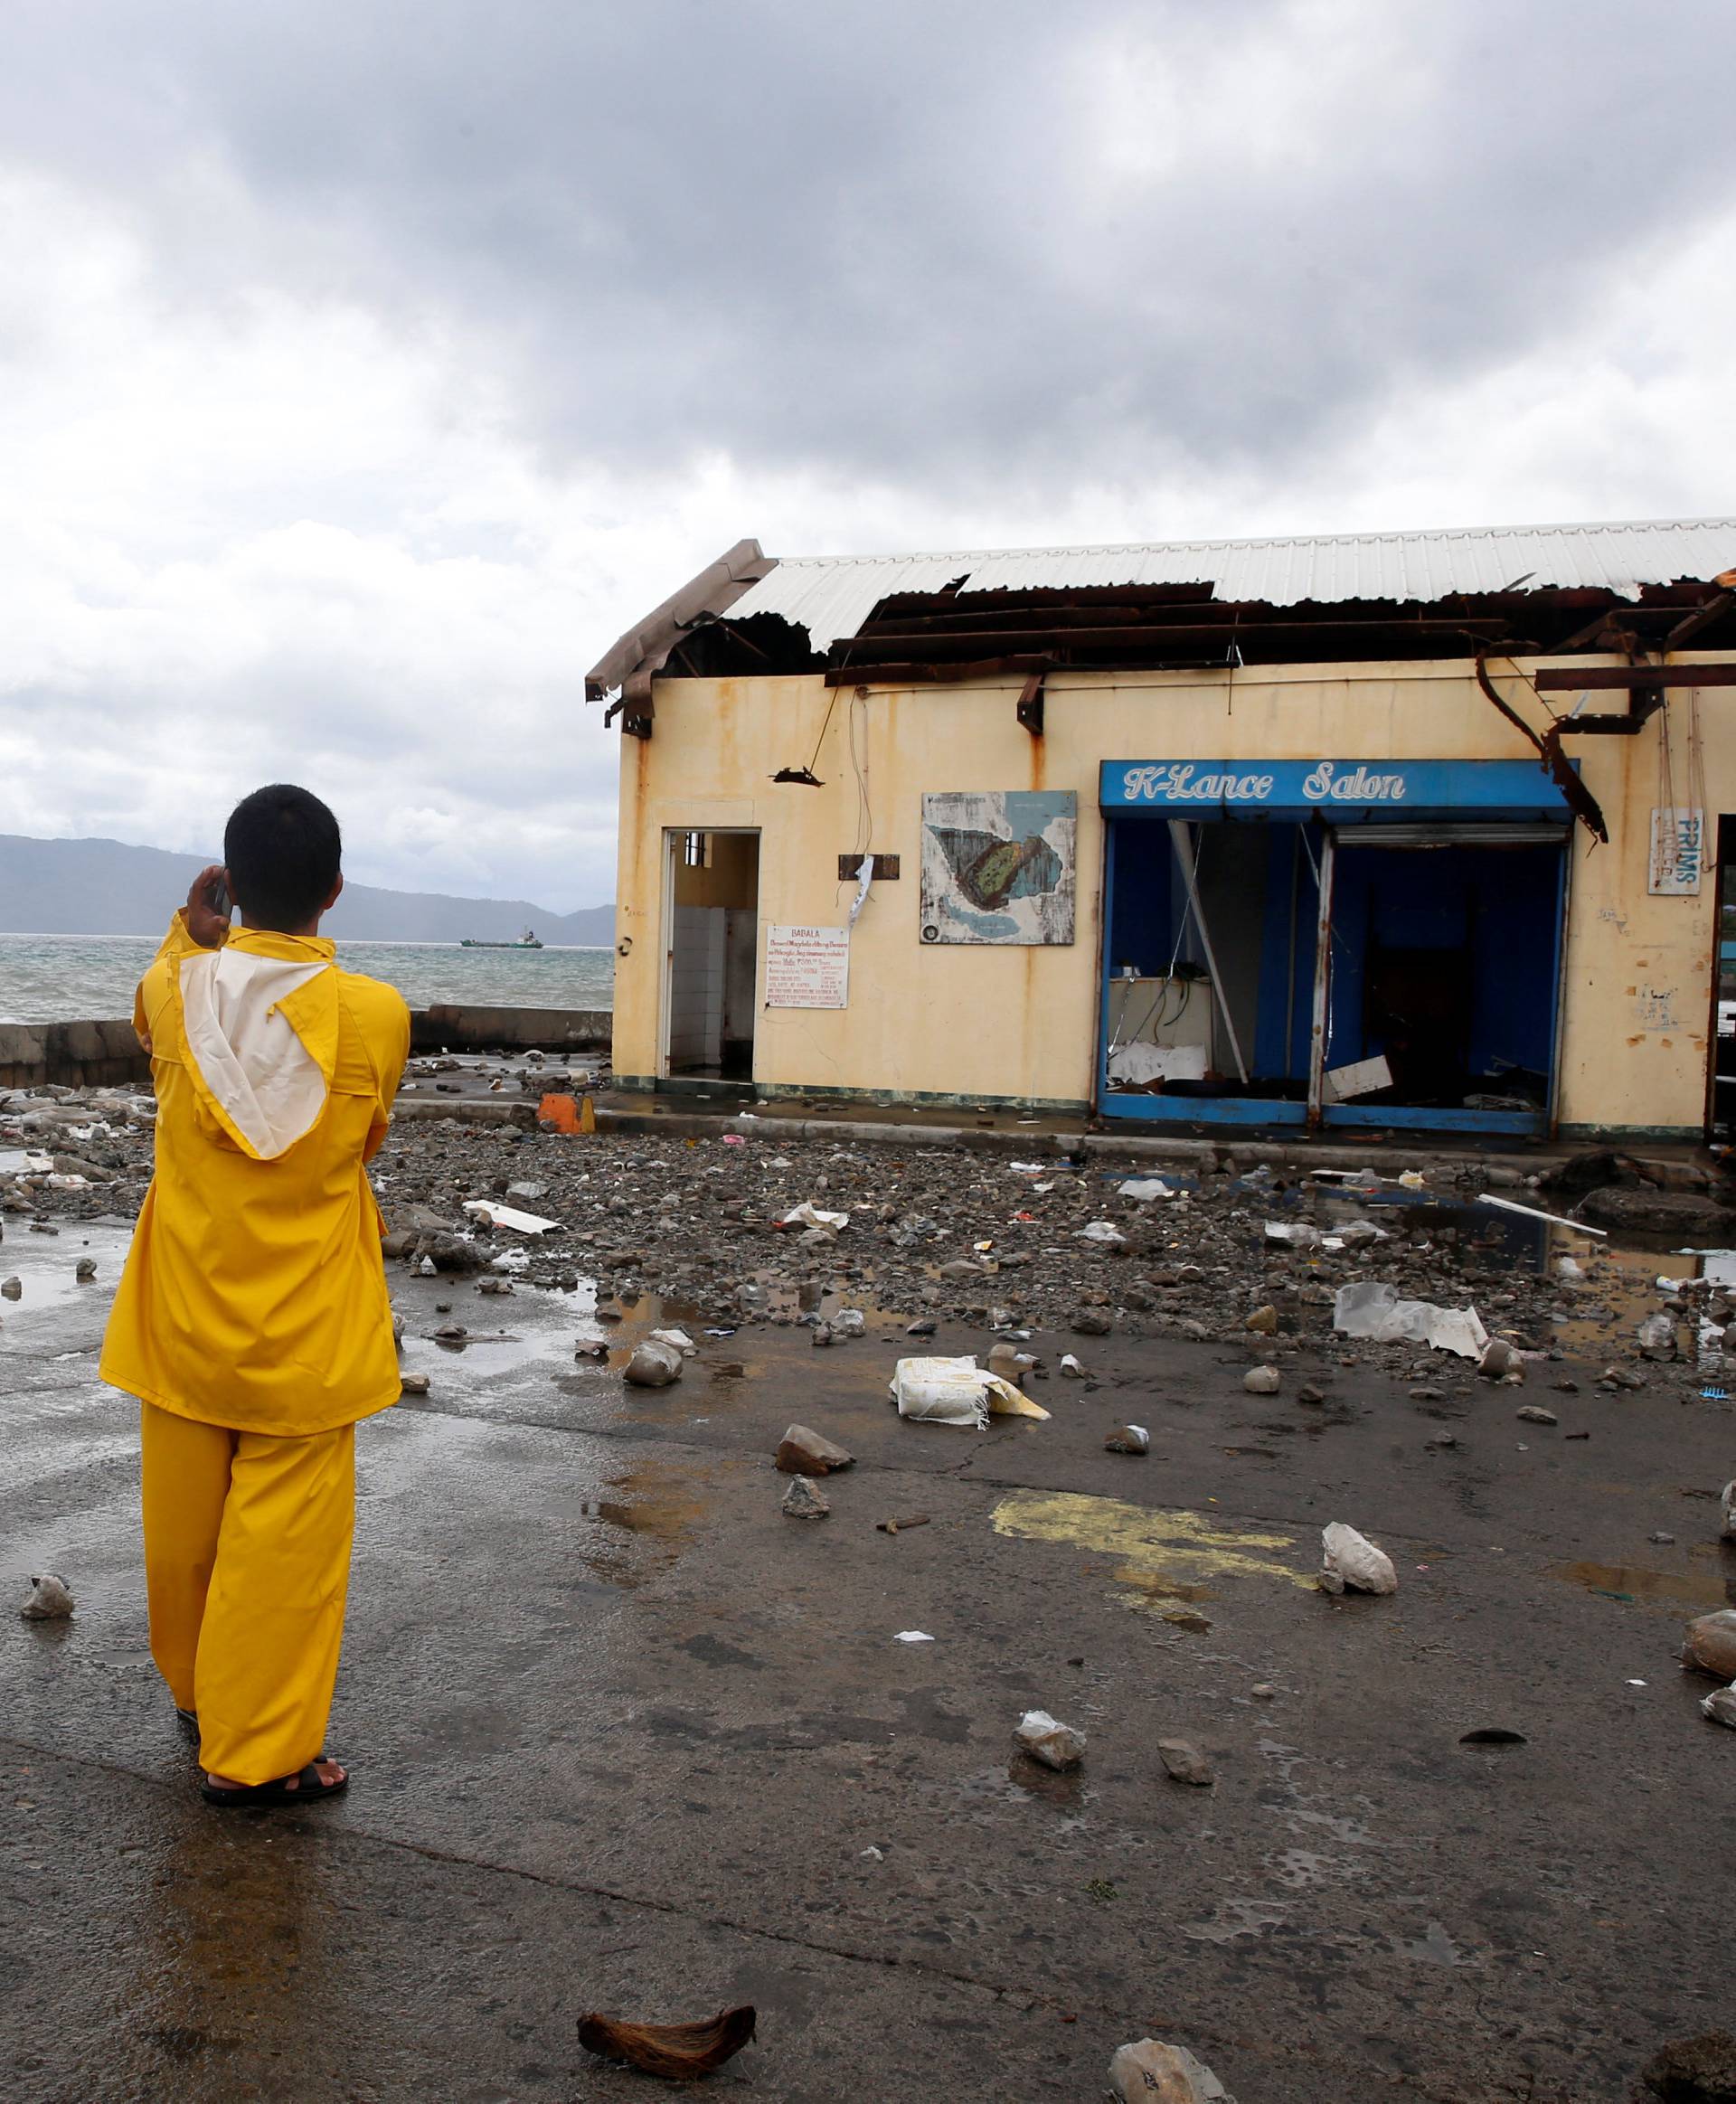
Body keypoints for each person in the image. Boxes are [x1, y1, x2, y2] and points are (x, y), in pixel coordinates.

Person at [99, 784, 410, 1807]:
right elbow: (364, 1140)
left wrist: (189, 937)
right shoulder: (373, 1018)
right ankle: (257, 1749)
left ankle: (199, 1696)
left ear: (229, 884)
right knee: (281, 1553)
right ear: (334, 889)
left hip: (184, 1313)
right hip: (304, 1335)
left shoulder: (175, 997)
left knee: (184, 1532)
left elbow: (156, 996)